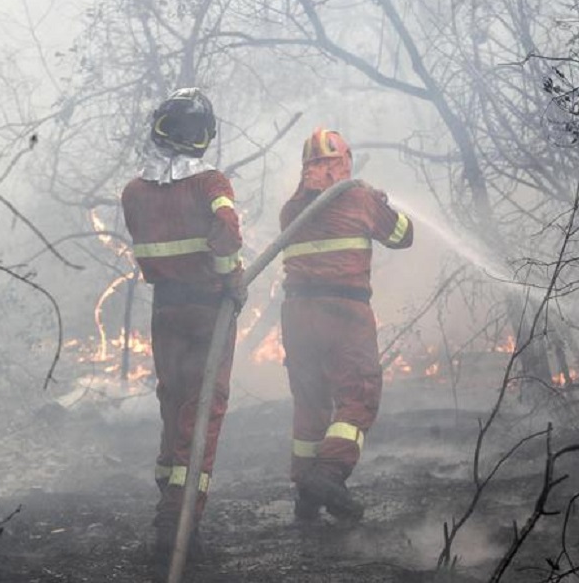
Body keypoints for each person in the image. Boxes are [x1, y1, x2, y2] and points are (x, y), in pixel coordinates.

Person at [120, 88, 247, 570]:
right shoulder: (211, 182)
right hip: (207, 311)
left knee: (173, 405)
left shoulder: (134, 192)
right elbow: (227, 233)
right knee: (203, 412)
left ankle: (166, 512)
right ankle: (181, 522)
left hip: (165, 311)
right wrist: (231, 276)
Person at [279, 127, 414, 522]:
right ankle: (329, 474)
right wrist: (382, 203)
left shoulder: (291, 211)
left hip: (297, 315)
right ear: (344, 164)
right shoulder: (360, 198)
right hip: (343, 310)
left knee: (310, 404)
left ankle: (306, 492)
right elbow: (403, 236)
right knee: (358, 395)